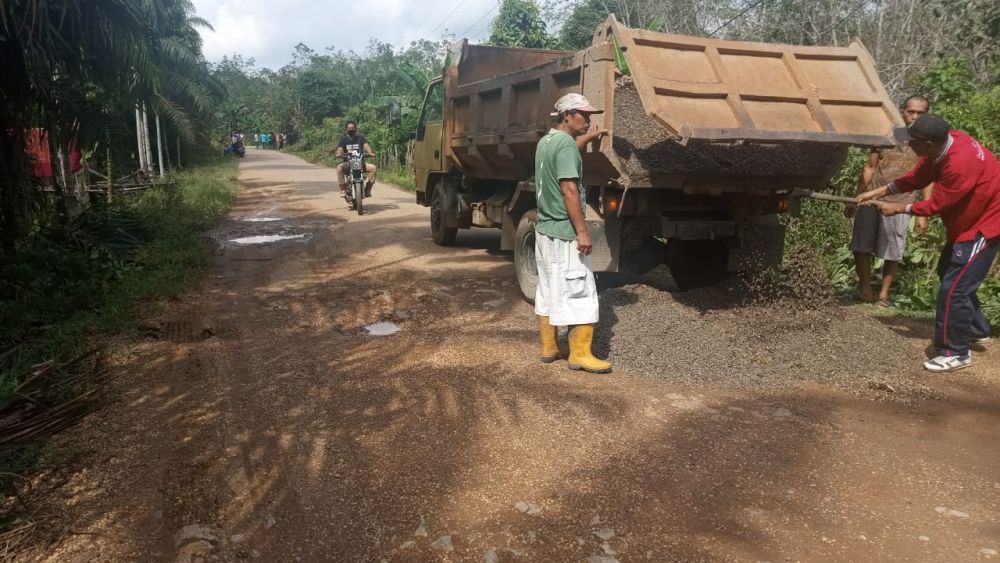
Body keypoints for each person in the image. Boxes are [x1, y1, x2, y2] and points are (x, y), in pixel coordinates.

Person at [858, 115, 1000, 372]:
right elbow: (917, 177)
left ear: (930, 144)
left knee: (954, 289)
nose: (909, 146)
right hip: (967, 221)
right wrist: (878, 191)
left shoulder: (959, 165)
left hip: (985, 225)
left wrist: (899, 208)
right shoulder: (950, 141)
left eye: (913, 142)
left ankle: (955, 352)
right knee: (950, 273)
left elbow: (937, 204)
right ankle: (976, 329)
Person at [533, 93, 611, 374]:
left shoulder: (548, 141)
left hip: (545, 231)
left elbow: (568, 152)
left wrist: (591, 136)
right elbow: (568, 190)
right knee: (581, 291)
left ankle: (549, 347)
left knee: (548, 288)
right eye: (583, 114)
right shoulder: (564, 146)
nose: (588, 120)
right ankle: (580, 354)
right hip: (565, 234)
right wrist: (583, 232)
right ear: (567, 115)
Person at [848, 95, 934, 306]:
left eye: (920, 113)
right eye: (910, 111)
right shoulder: (887, 135)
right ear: (902, 111)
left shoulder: (928, 143)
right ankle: (865, 288)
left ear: (927, 114)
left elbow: (928, 179)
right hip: (872, 198)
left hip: (900, 203)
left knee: (893, 251)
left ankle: (883, 296)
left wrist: (923, 213)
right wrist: (855, 197)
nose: (914, 116)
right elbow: (869, 167)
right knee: (861, 246)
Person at [335, 121, 377, 196]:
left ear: (355, 129)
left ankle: (367, 189)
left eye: (352, 128)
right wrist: (338, 154)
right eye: (349, 128)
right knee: (339, 168)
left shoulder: (360, 138)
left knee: (373, 168)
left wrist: (370, 153)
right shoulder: (343, 139)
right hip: (348, 163)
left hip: (360, 163)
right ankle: (343, 189)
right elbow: (340, 148)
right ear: (346, 129)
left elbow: (366, 145)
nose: (351, 129)